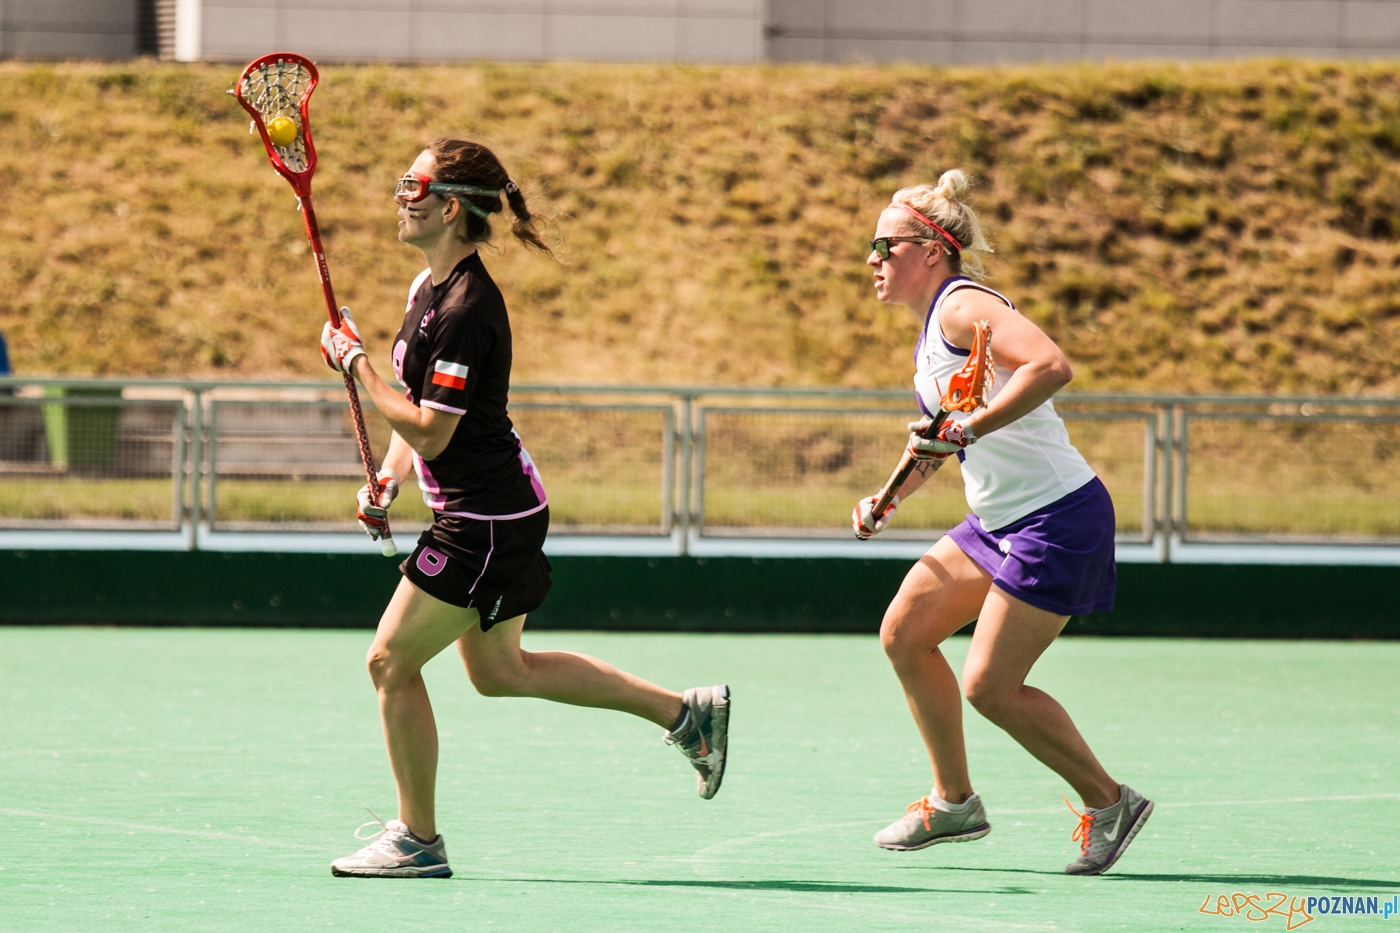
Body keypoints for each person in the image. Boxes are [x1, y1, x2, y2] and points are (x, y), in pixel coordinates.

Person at [318, 138, 730, 879]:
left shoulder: (471, 308)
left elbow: (432, 427)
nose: (398, 198)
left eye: (410, 186)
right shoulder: (427, 288)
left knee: (389, 660)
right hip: (493, 508)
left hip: (482, 520)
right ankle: (685, 713)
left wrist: (356, 366)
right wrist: (387, 478)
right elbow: (415, 416)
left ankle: (417, 839)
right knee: (500, 670)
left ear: (449, 206)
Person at [851, 170, 1152, 875]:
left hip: (1059, 517)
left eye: (883, 244)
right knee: (905, 632)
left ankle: (1110, 802)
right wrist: (886, 498)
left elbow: (1049, 364)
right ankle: (954, 801)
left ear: (930, 248)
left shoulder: (964, 305)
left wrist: (970, 426)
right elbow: (940, 432)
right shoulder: (934, 333)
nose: (871, 258)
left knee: (990, 684)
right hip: (998, 520)